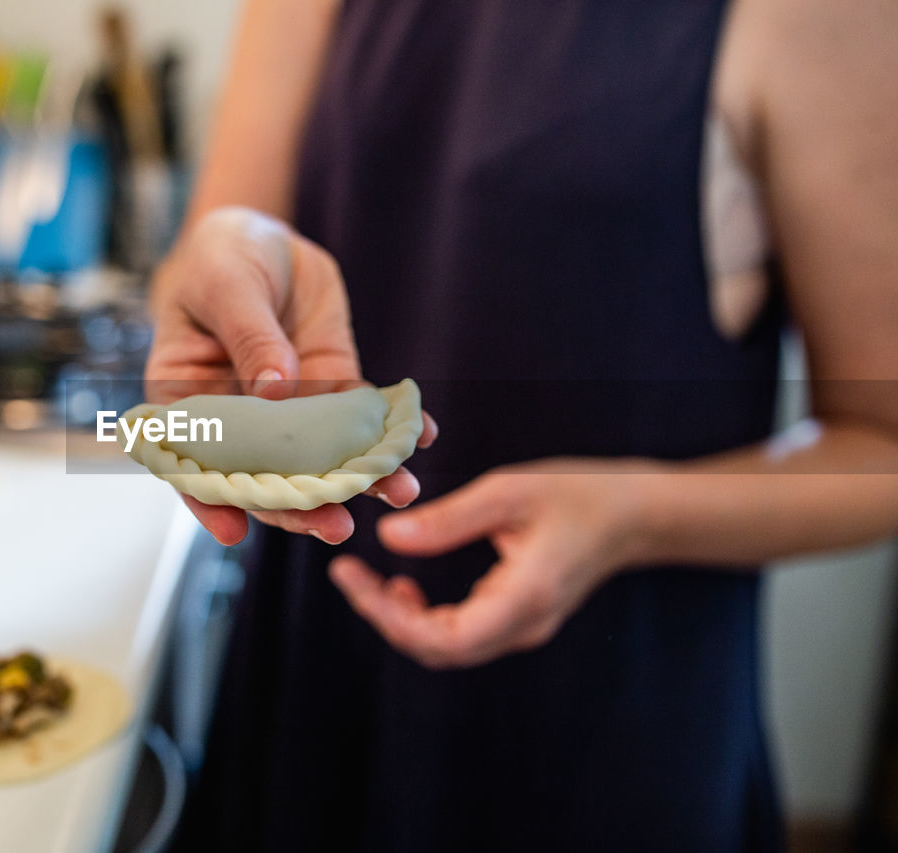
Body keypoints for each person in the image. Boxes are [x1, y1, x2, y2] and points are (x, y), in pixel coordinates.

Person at [145, 0, 898, 850]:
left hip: (600, 729)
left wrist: (634, 515)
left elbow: (886, 444)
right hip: (314, 672)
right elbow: (221, 237)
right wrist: (215, 267)